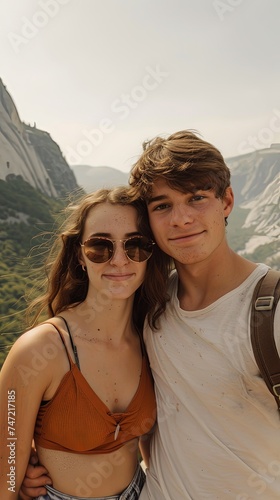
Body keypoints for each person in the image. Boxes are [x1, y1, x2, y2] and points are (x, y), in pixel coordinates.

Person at [21, 130, 280, 499]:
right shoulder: (151, 308)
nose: (181, 219)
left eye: (197, 198)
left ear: (226, 202)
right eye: (162, 206)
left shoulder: (271, 311)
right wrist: (39, 452)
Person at [0, 186, 171, 500]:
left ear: (149, 255)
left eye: (135, 245)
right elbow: (6, 475)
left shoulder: (153, 338)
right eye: (100, 246)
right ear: (79, 255)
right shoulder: (41, 350)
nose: (119, 260)